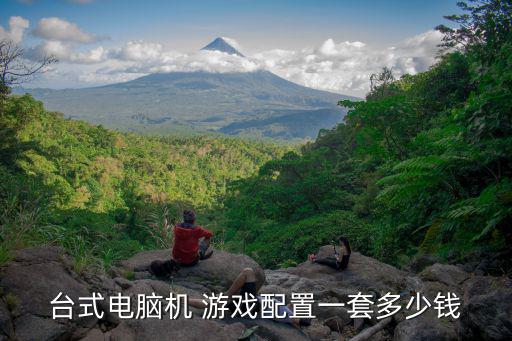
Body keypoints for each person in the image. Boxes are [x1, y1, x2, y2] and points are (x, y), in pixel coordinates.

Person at [188, 268, 310, 328]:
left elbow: (300, 321)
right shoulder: (287, 311)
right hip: (250, 306)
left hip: (253, 305)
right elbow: (290, 307)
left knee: (248, 272)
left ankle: (227, 295)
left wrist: (302, 320)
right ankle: (183, 300)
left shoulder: (290, 316)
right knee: (212, 304)